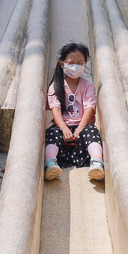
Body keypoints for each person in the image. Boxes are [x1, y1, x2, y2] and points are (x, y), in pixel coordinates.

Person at [44, 42, 104, 181]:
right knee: (52, 133)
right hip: (62, 127)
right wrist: (64, 129)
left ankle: (96, 162)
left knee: (92, 131)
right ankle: (50, 163)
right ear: (62, 63)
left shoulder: (88, 86)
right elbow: (56, 111)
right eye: (71, 62)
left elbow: (89, 108)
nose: (75, 66)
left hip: (82, 130)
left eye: (79, 62)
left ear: (85, 64)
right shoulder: (55, 86)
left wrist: (80, 128)